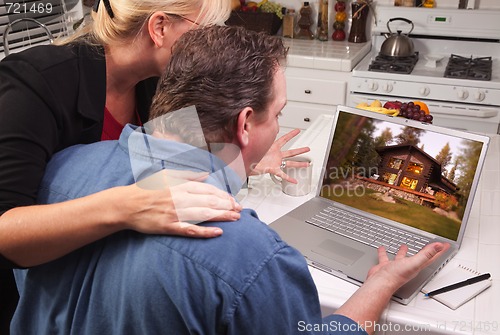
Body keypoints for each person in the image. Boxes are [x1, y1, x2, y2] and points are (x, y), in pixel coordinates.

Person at [12, 25, 449, 335]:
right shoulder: (251, 257)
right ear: (244, 124)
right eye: (277, 114)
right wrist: (382, 283)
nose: (278, 124)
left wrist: (241, 163)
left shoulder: (61, 169)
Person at [0, 0, 308, 330]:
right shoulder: (36, 84)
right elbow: (6, 231)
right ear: (159, 27)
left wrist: (244, 157)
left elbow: (188, 155)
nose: (212, 42)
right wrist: (129, 204)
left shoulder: (158, 83)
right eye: (204, 30)